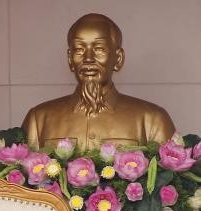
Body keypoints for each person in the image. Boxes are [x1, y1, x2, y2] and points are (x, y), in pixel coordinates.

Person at [22, 13, 175, 151]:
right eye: (79, 49)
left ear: (118, 59)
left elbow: (173, 177)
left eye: (99, 49)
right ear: (70, 59)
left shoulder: (153, 120)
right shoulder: (38, 119)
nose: (88, 59)